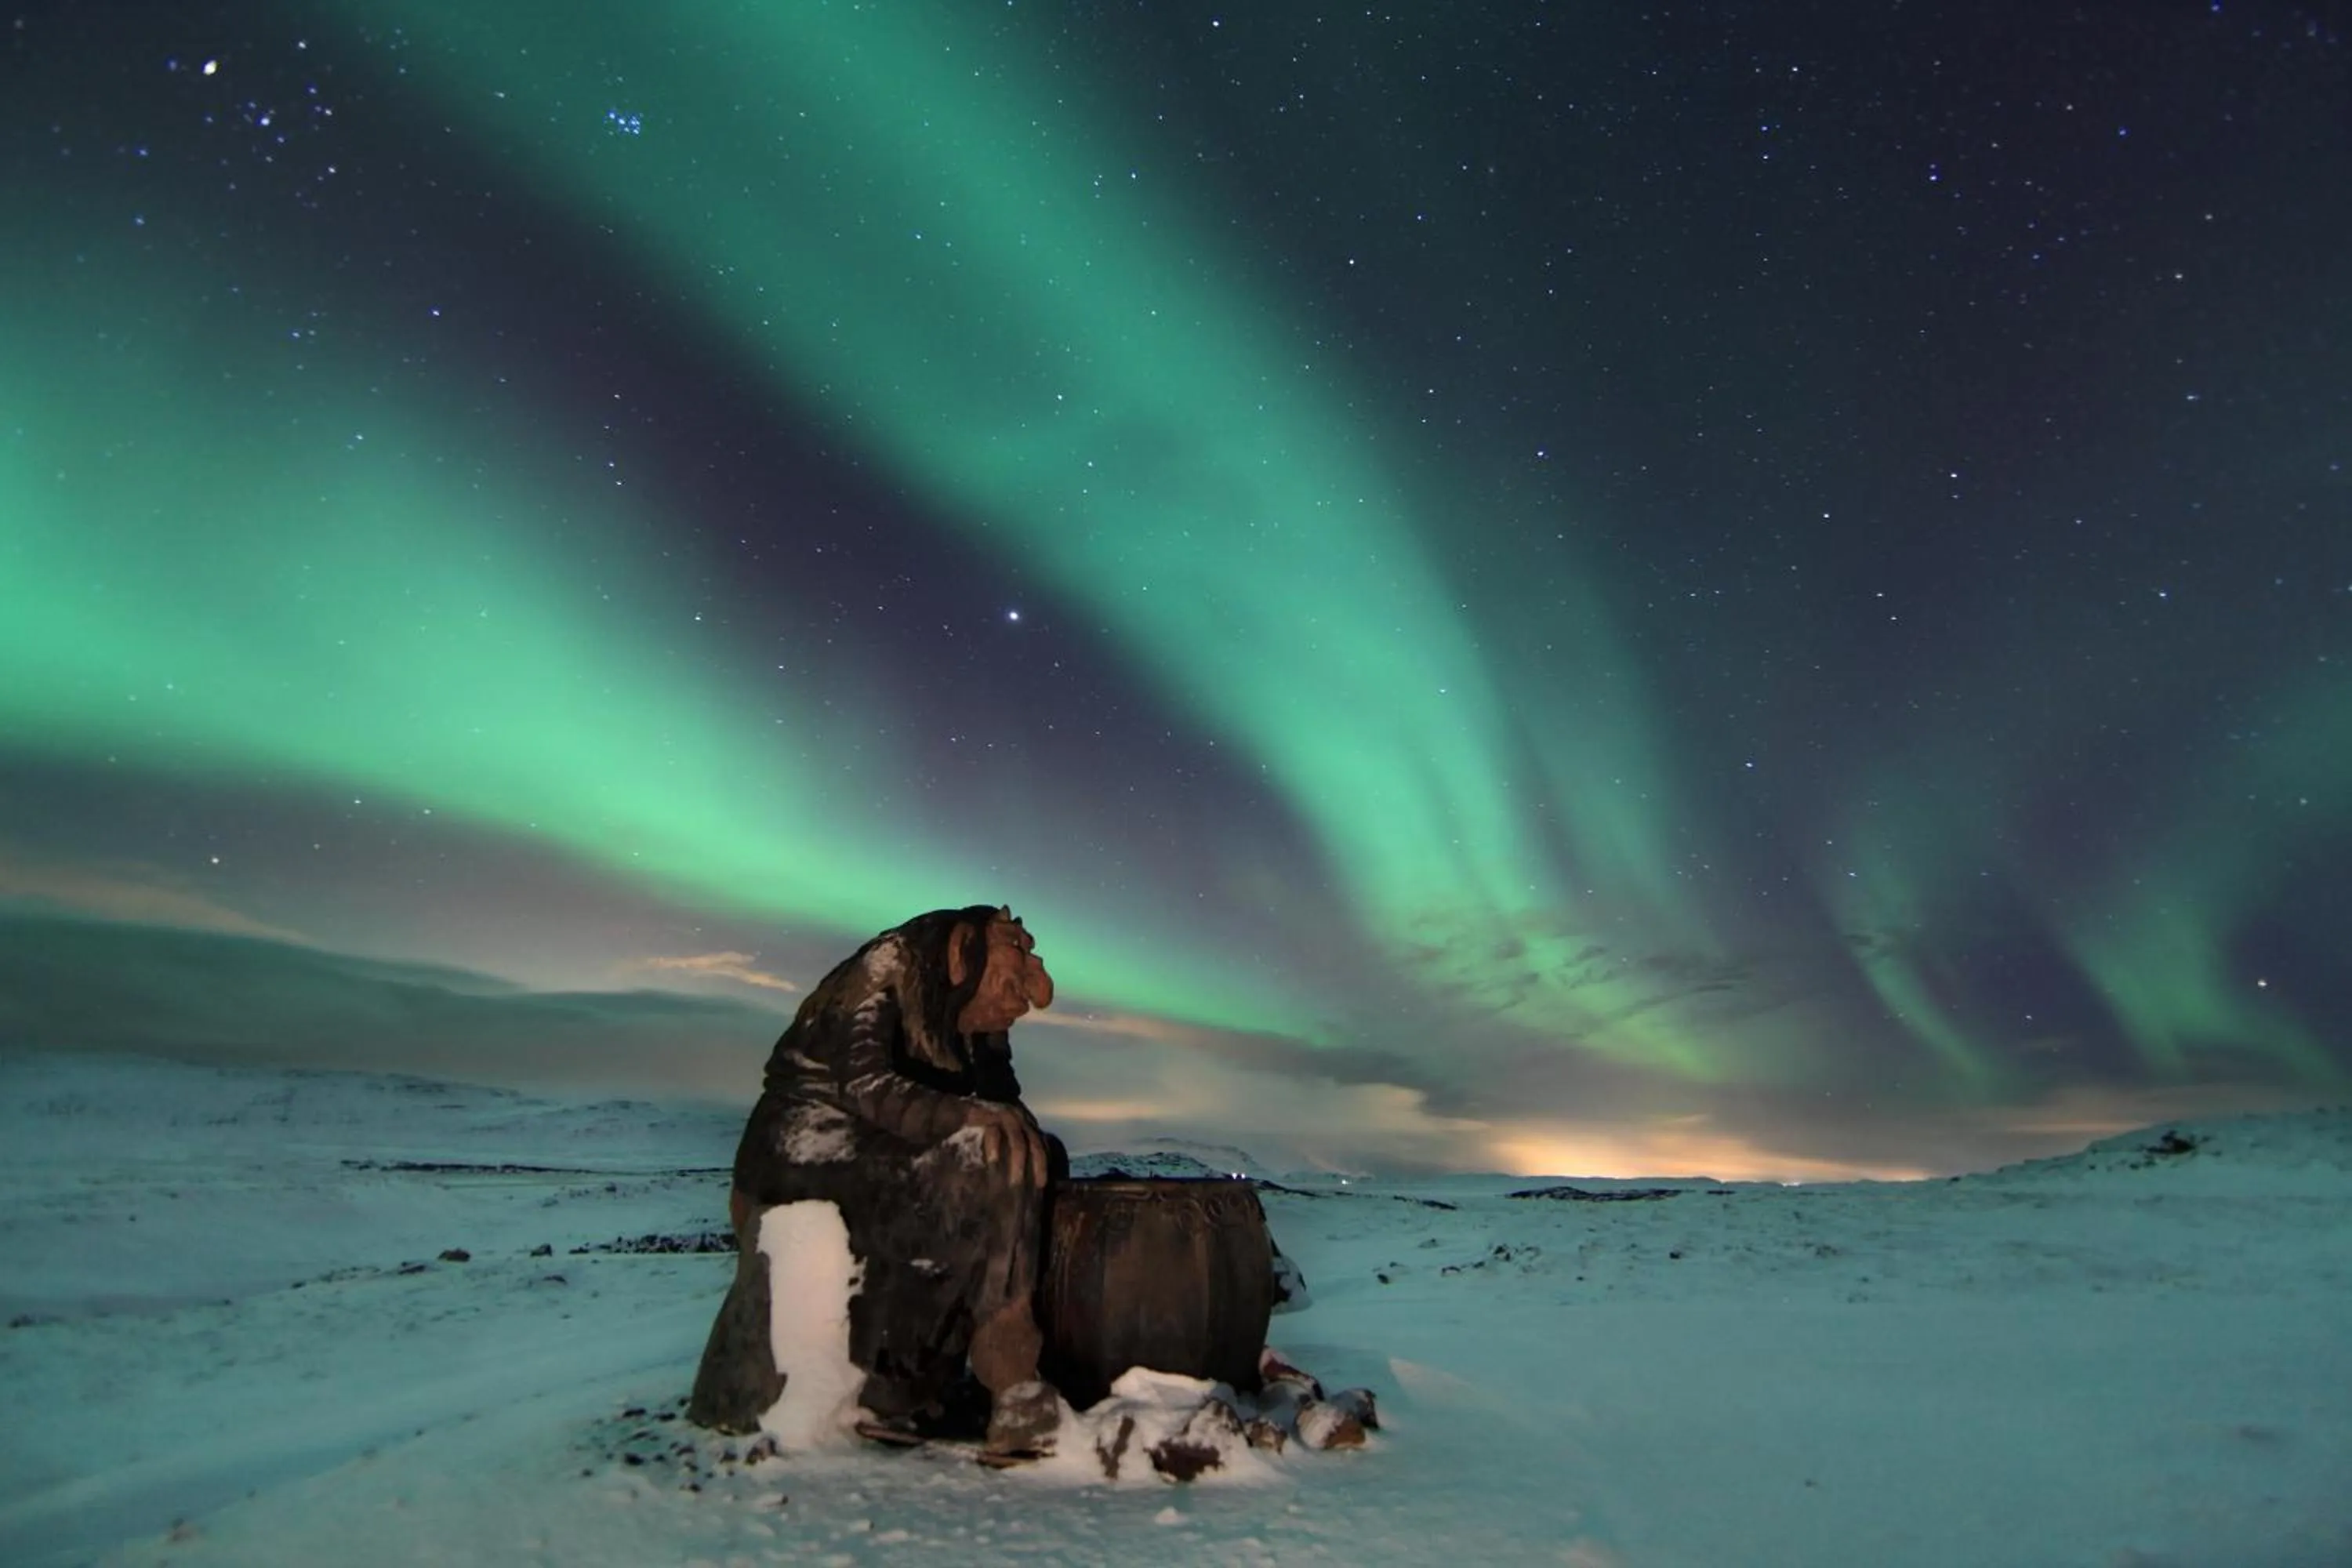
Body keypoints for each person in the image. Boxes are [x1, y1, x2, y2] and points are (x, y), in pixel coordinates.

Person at [688, 905, 1063, 1457]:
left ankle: (917, 1380)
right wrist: (971, 1119)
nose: (1026, 982)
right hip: (808, 1143)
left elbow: (1000, 1098)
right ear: (967, 951)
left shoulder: (976, 1019)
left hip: (896, 1144)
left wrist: (1008, 1127)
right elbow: (864, 1084)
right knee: (990, 1149)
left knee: (1027, 1152)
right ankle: (1010, 1380)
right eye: (1017, 959)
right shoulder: (890, 966)